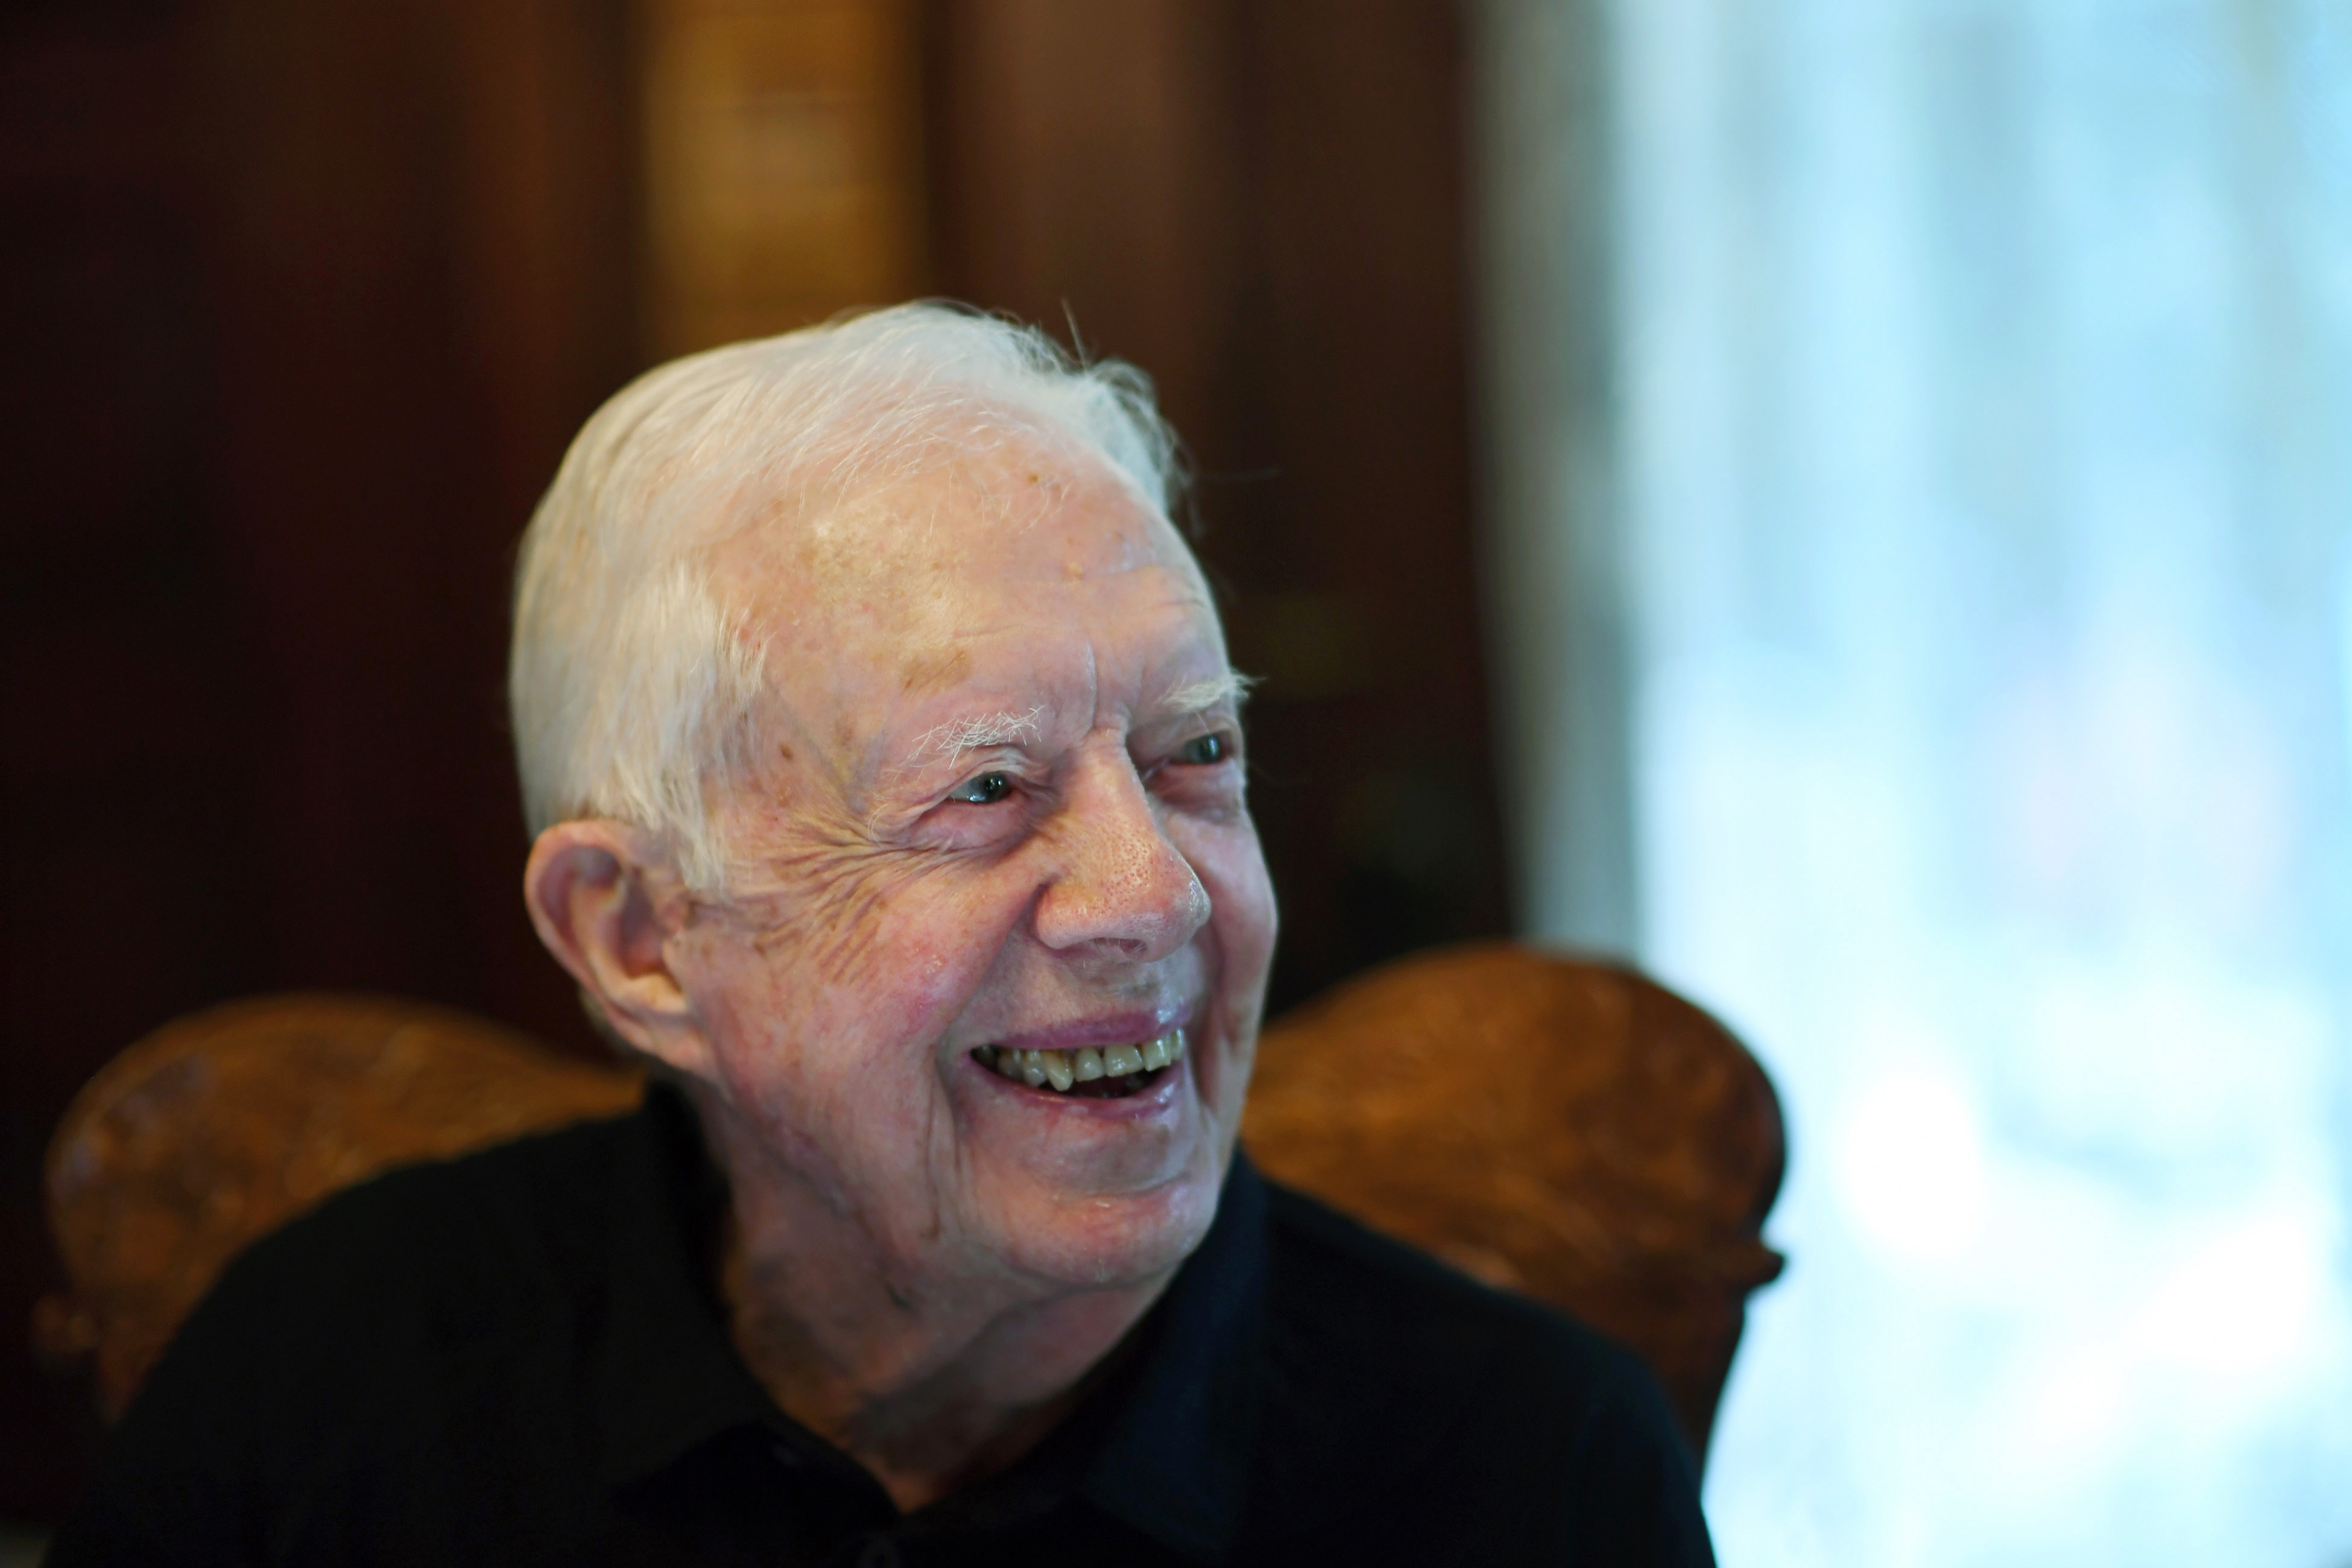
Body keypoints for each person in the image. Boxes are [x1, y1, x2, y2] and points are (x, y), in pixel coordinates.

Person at [51, 305, 1713, 1566]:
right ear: (635, 938)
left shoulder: (1525, 1470)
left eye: (1195, 754)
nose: (1153, 895)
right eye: (984, 789)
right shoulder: (324, 1400)